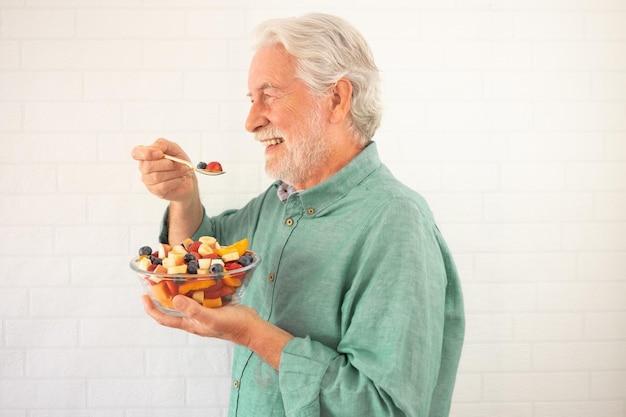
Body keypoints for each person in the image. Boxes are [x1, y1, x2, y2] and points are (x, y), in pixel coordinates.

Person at [132, 13, 464, 417]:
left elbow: (383, 408)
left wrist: (253, 334)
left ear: (337, 99)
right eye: (251, 99)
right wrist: (185, 198)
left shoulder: (396, 224)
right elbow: (197, 265)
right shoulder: (278, 203)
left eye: (268, 95)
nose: (251, 121)